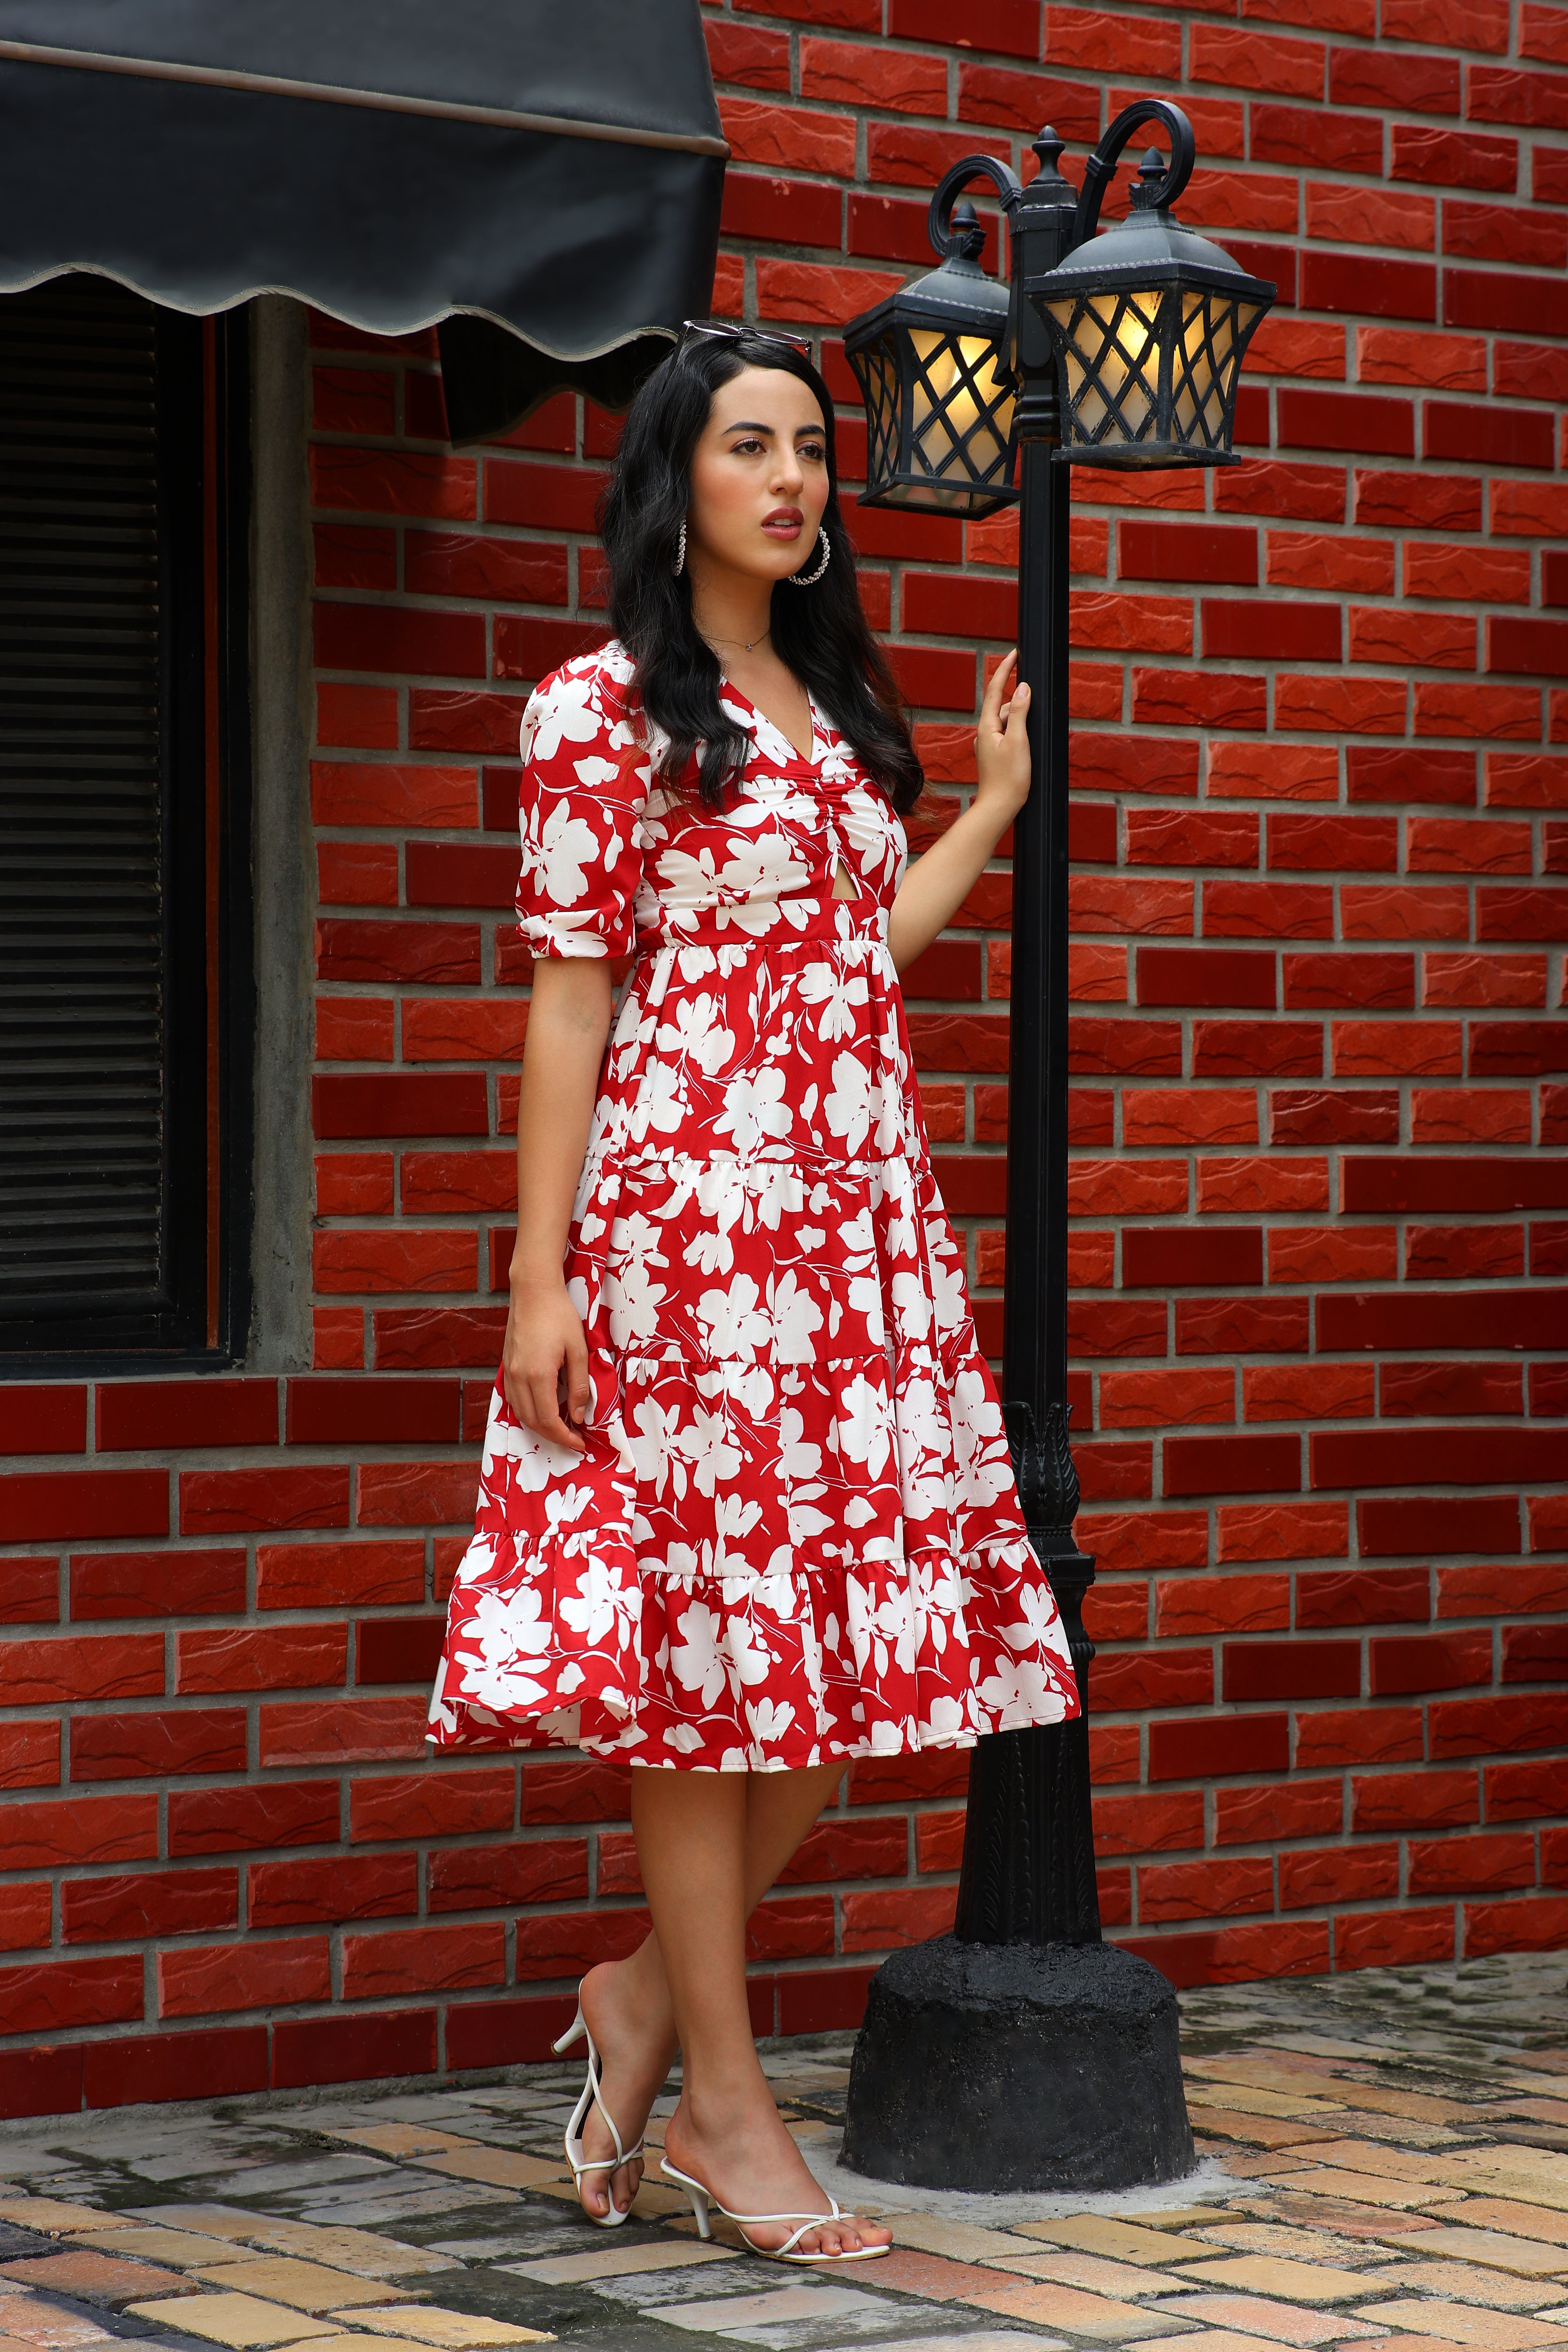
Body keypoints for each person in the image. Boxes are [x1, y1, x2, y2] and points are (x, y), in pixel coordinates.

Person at [426, 321, 1080, 2263]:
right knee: (709, 1661)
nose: (794, 477)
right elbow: (570, 996)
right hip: (690, 1230)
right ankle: (723, 2102)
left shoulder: (828, 700)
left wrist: (985, 806)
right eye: (750, 446)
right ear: (673, 478)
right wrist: (538, 1277)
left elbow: (853, 954)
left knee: (861, 1656)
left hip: (860, 1232)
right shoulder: (596, 707)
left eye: (813, 447)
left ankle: (643, 1996)